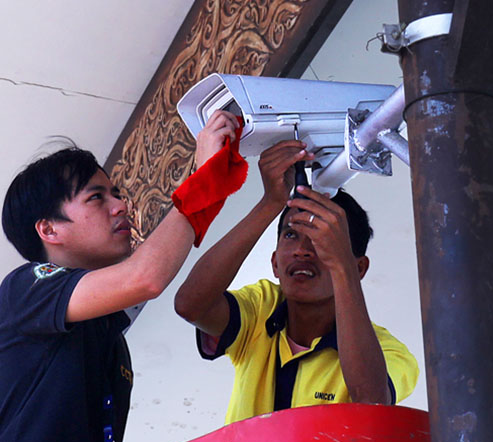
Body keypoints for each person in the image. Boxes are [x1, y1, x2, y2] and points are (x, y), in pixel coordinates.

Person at [0, 111, 244, 442]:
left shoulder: (108, 335)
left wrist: (266, 200)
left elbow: (148, 275)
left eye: (115, 193)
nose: (121, 206)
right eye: (98, 197)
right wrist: (203, 177)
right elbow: (147, 276)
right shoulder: (25, 287)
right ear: (49, 230)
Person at [174, 139, 418, 425]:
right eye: (291, 234)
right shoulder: (262, 307)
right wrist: (271, 203)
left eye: (322, 237)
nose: (303, 249)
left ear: (359, 268)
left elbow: (371, 401)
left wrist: (342, 269)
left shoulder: (390, 353)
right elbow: (190, 305)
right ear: (275, 262)